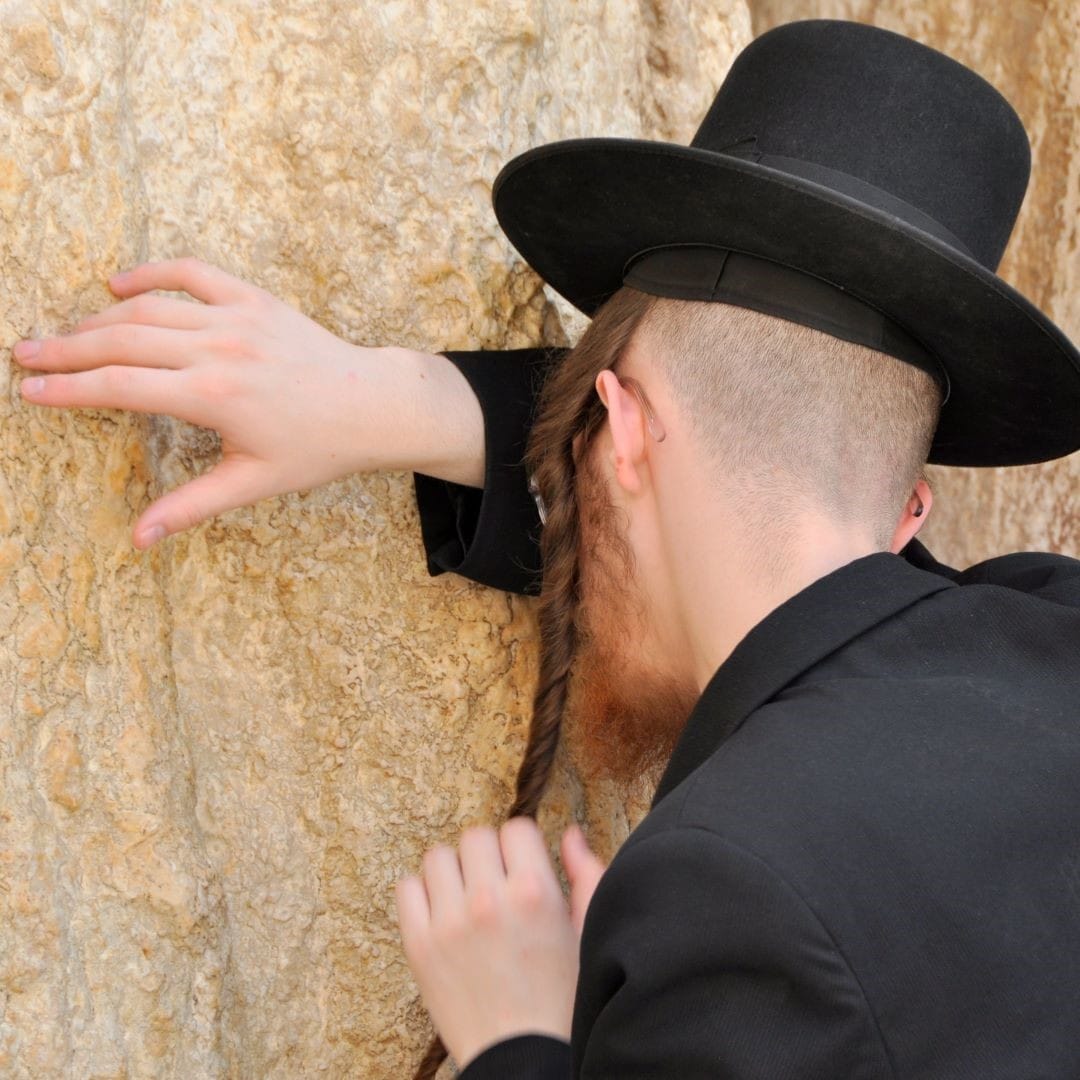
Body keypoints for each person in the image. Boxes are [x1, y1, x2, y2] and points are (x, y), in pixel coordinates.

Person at [12, 19, 1080, 1080]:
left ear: (617, 432)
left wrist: (516, 1036)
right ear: (911, 516)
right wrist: (397, 402)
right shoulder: (1050, 628)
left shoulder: (731, 896)